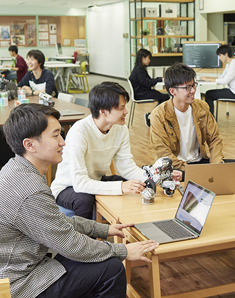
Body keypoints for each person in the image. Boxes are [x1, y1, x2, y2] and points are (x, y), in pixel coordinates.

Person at [0, 103, 159, 298]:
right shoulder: (29, 189)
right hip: (7, 285)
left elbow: (57, 223)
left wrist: (102, 230)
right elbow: (71, 245)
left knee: (91, 258)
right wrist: (123, 252)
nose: (63, 141)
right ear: (30, 144)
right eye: (56, 135)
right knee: (111, 269)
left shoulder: (18, 171)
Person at [51, 81, 180, 219]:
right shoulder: (79, 132)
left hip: (96, 180)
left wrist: (158, 176)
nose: (126, 111)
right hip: (68, 187)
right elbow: (80, 183)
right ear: (104, 112)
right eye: (121, 108)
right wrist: (121, 187)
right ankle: (86, 239)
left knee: (135, 184)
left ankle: (130, 227)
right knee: (84, 199)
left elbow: (127, 169)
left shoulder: (120, 129)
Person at [150, 62, 235, 177]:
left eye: (193, 85)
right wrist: (193, 172)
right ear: (172, 91)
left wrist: (216, 165)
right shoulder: (159, 114)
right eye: (188, 87)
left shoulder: (201, 107)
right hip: (176, 168)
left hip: (198, 162)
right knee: (174, 178)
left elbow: (214, 139)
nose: (193, 90)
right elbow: (162, 151)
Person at [129, 48, 169, 127]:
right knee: (165, 97)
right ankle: (151, 116)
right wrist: (160, 79)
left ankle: (154, 116)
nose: (149, 60)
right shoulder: (139, 70)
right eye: (148, 58)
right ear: (143, 58)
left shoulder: (138, 69)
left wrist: (159, 79)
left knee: (164, 97)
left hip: (142, 92)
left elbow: (148, 81)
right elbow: (147, 83)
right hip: (141, 94)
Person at [203, 45, 235, 116]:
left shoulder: (234, 64)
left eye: (220, 55)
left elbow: (225, 81)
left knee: (209, 94)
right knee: (209, 93)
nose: (219, 58)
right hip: (231, 90)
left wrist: (208, 79)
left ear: (226, 54)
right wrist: (207, 78)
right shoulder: (228, 65)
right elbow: (221, 77)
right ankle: (210, 119)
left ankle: (210, 120)